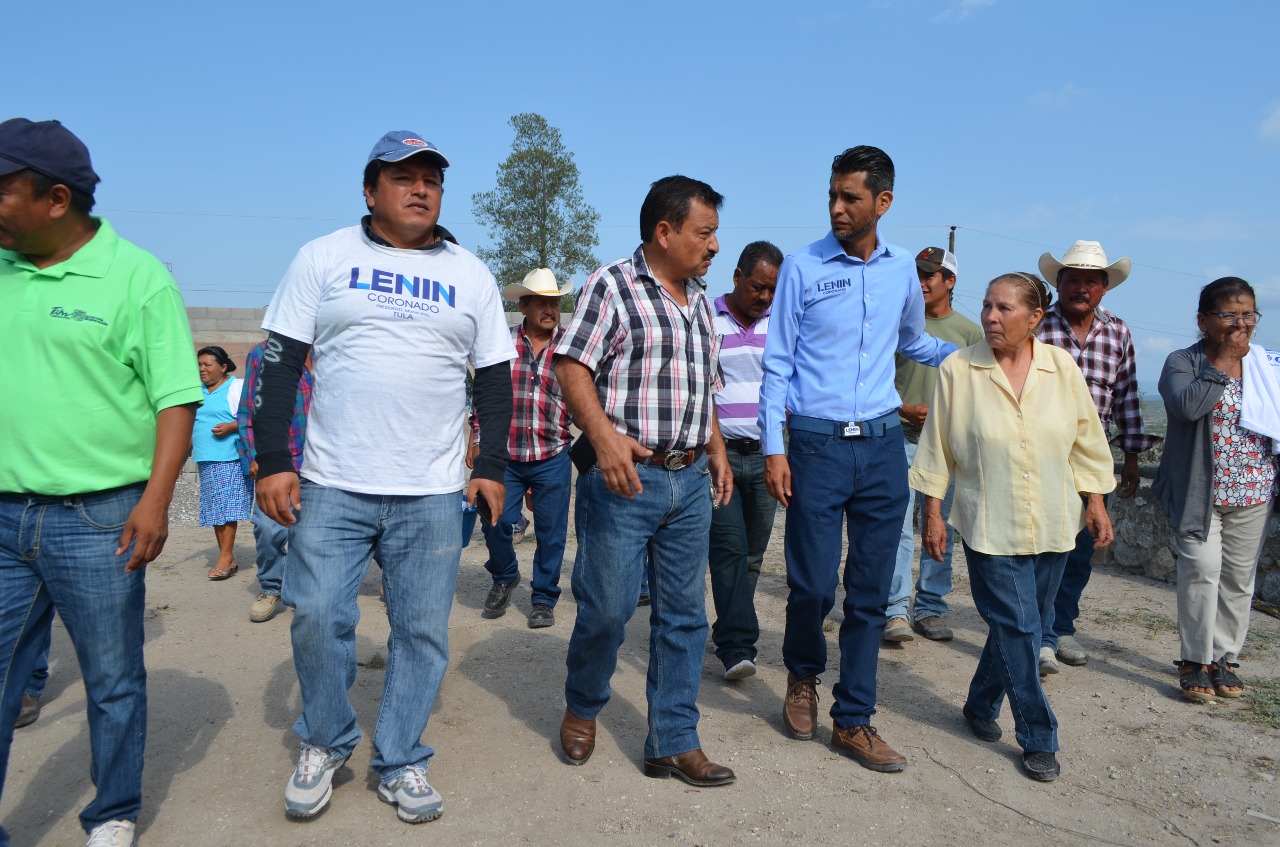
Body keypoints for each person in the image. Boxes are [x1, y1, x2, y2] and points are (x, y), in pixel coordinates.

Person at [254, 130, 514, 823]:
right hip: (334, 479)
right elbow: (278, 364)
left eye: (431, 178)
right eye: (403, 177)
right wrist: (273, 461)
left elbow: (494, 380)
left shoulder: (471, 274)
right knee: (316, 614)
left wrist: (488, 466)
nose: (420, 188)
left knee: (423, 629)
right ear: (371, 191)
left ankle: (399, 757)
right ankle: (326, 739)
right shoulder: (324, 257)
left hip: (431, 489)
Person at [0, 117, 202, 847]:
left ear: (56, 199)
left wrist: (155, 501)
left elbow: (176, 398)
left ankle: (111, 811)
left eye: (1, 189)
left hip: (100, 519)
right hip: (2, 516)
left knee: (112, 678)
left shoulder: (136, 276)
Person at [759, 146, 956, 773]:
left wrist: (976, 361)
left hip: (879, 448)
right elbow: (778, 364)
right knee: (814, 585)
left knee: (869, 592)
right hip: (814, 445)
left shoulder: (902, 270)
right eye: (833, 196)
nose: (838, 208)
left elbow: (914, 341)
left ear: (883, 202)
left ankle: (854, 720)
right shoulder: (803, 266)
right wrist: (774, 448)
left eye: (850, 197)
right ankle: (801, 676)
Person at [554, 175, 735, 787]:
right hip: (625, 479)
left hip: (688, 483)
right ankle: (583, 704)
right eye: (704, 233)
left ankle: (673, 739)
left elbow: (703, 388)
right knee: (607, 607)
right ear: (665, 231)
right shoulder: (612, 285)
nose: (714, 246)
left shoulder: (700, 300)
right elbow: (570, 364)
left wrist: (716, 451)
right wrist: (603, 439)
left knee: (685, 616)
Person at [910, 272, 1115, 782]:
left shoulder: (1060, 367)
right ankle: (1039, 735)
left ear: (1034, 318)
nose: (991, 317)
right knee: (1022, 626)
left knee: (1016, 626)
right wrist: (933, 512)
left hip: (1054, 520)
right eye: (986, 306)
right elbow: (937, 445)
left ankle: (981, 703)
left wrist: (1095, 501)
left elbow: (1086, 439)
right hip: (988, 522)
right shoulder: (960, 368)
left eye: (1003, 309)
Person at [1035, 240, 1159, 673]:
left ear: (1105, 288)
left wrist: (1128, 458)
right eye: (1073, 280)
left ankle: (1062, 627)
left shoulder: (1118, 332)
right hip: (1041, 453)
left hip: (1094, 457)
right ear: (1059, 283)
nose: (1081, 288)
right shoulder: (1038, 327)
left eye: (1091, 281)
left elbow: (1125, 395)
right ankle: (1041, 635)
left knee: (1082, 548)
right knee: (1047, 547)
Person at [1154, 277, 1277, 702]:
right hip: (1198, 492)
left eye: (1248, 314)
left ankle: (1224, 657)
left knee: (1239, 579)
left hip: (1254, 490)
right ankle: (1194, 659)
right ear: (1203, 320)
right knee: (1201, 571)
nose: (1240, 323)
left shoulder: (1267, 365)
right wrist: (1223, 361)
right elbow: (1187, 407)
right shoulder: (1182, 362)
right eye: (1229, 314)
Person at [884, 247, 983, 643]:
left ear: (950, 282)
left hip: (948, 450)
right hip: (901, 440)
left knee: (940, 530)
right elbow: (877, 379)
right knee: (899, 529)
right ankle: (895, 610)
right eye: (918, 275)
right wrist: (905, 409)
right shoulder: (899, 325)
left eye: (930, 276)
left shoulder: (971, 334)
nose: (922, 282)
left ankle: (930, 608)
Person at [467, 267, 574, 628]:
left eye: (554, 303)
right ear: (524, 305)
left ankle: (543, 597)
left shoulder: (570, 348)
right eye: (541, 303)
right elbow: (486, 394)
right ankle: (505, 574)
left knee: (551, 531)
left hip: (553, 454)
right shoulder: (502, 343)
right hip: (505, 456)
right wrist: (477, 436)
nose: (549, 310)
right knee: (492, 517)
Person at [708, 240, 782, 680]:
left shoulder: (781, 325)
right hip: (722, 458)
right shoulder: (707, 319)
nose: (765, 298)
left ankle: (728, 629)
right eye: (757, 287)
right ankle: (737, 646)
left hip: (768, 457)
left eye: (772, 290)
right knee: (730, 549)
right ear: (736, 277)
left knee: (753, 555)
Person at [236, 338, 312, 622]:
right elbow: (247, 411)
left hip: (323, 465)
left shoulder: (335, 348)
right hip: (279, 462)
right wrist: (256, 455)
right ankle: (271, 587)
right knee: (268, 530)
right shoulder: (264, 352)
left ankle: (304, 593)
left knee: (312, 537)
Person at [194, 345, 253, 580]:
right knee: (216, 509)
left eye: (207, 365)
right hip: (206, 457)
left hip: (229, 457)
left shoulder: (235, 387)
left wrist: (231, 426)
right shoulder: (197, 391)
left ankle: (226, 557)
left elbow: (253, 416)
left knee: (226, 509)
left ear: (223, 367)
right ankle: (226, 556)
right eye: (199, 365)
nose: (202, 369)